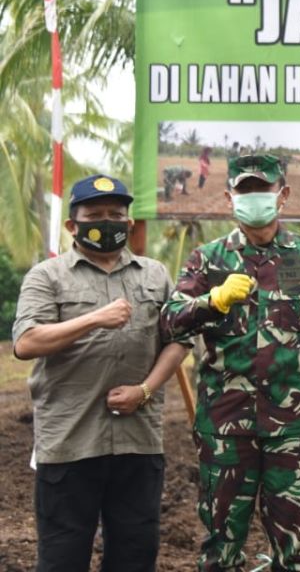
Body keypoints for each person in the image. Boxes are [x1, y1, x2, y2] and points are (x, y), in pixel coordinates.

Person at [161, 154, 300, 572]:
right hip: (224, 429)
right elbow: (169, 319)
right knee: (220, 549)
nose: (253, 198)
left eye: (262, 190)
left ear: (282, 195)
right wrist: (210, 301)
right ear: (230, 197)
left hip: (291, 427)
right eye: (244, 190)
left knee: (298, 550)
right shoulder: (208, 260)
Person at [13, 174, 189, 571]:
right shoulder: (47, 276)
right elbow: (27, 342)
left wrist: (145, 390)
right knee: (63, 556)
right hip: (70, 441)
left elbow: (179, 340)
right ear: (72, 225)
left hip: (139, 441)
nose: (107, 222)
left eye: (116, 214)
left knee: (135, 553)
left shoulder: (154, 274)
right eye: (95, 215)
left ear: (129, 223)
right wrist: (94, 319)